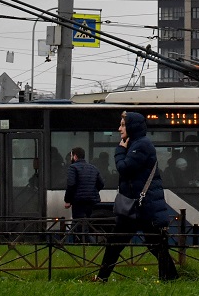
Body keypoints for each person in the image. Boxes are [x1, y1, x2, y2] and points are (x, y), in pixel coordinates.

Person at [96, 111, 178, 282]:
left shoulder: (141, 145)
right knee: (125, 243)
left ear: (132, 126)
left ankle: (170, 277)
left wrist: (119, 151)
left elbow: (125, 168)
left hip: (142, 206)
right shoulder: (136, 144)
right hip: (137, 206)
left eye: (123, 125)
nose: (119, 129)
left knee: (148, 244)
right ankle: (170, 277)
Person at [63, 146, 104, 244]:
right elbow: (101, 184)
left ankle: (92, 245)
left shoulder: (73, 168)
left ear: (75, 156)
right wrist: (91, 191)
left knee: (80, 226)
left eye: (71, 156)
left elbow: (71, 185)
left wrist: (67, 200)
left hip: (78, 201)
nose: (71, 158)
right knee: (83, 224)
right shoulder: (93, 168)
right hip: (91, 202)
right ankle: (77, 244)